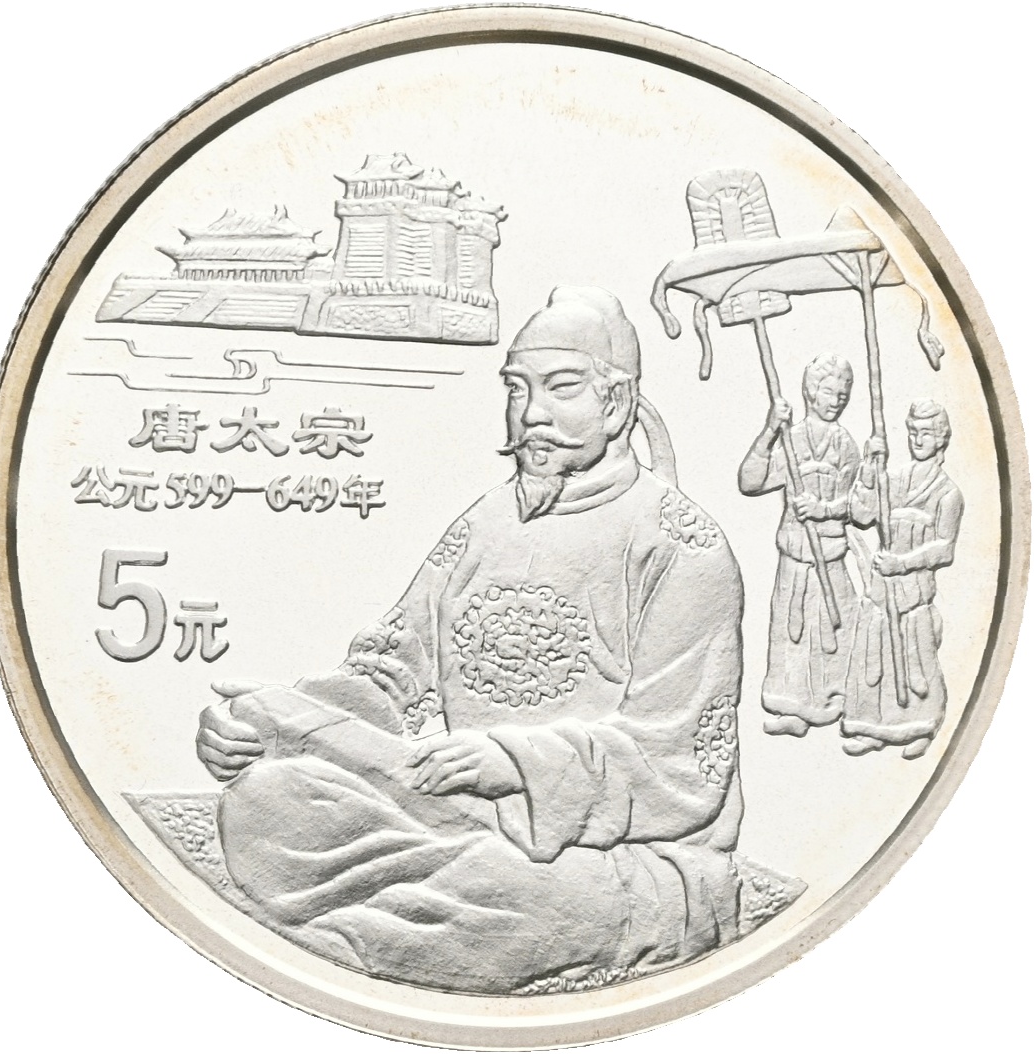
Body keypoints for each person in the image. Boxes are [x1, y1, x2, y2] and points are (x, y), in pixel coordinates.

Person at [195, 286, 747, 994]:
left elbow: (680, 765)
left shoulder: (682, 546)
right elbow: (390, 671)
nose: (532, 413)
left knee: (510, 889)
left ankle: (378, 927)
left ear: (616, 404)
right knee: (265, 801)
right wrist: (271, 726)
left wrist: (513, 762)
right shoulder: (484, 523)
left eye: (561, 388)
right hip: (461, 815)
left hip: (633, 858)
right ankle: (417, 903)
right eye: (517, 389)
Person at [738, 354, 860, 737]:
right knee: (792, 634)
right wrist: (769, 431)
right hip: (794, 556)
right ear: (810, 391)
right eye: (829, 391)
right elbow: (750, 482)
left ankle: (837, 703)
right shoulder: (791, 440)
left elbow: (855, 505)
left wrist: (823, 509)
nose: (836, 400)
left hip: (829, 557)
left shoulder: (845, 446)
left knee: (833, 631)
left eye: (843, 394)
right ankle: (791, 709)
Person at [841, 400, 963, 759]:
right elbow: (861, 514)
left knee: (916, 660)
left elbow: (945, 549)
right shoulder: (893, 480)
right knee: (873, 658)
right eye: (913, 432)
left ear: (941, 438)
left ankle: (921, 727)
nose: (918, 439)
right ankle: (871, 728)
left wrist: (903, 563)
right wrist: (868, 468)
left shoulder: (948, 494)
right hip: (881, 590)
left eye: (926, 433)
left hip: (913, 594)